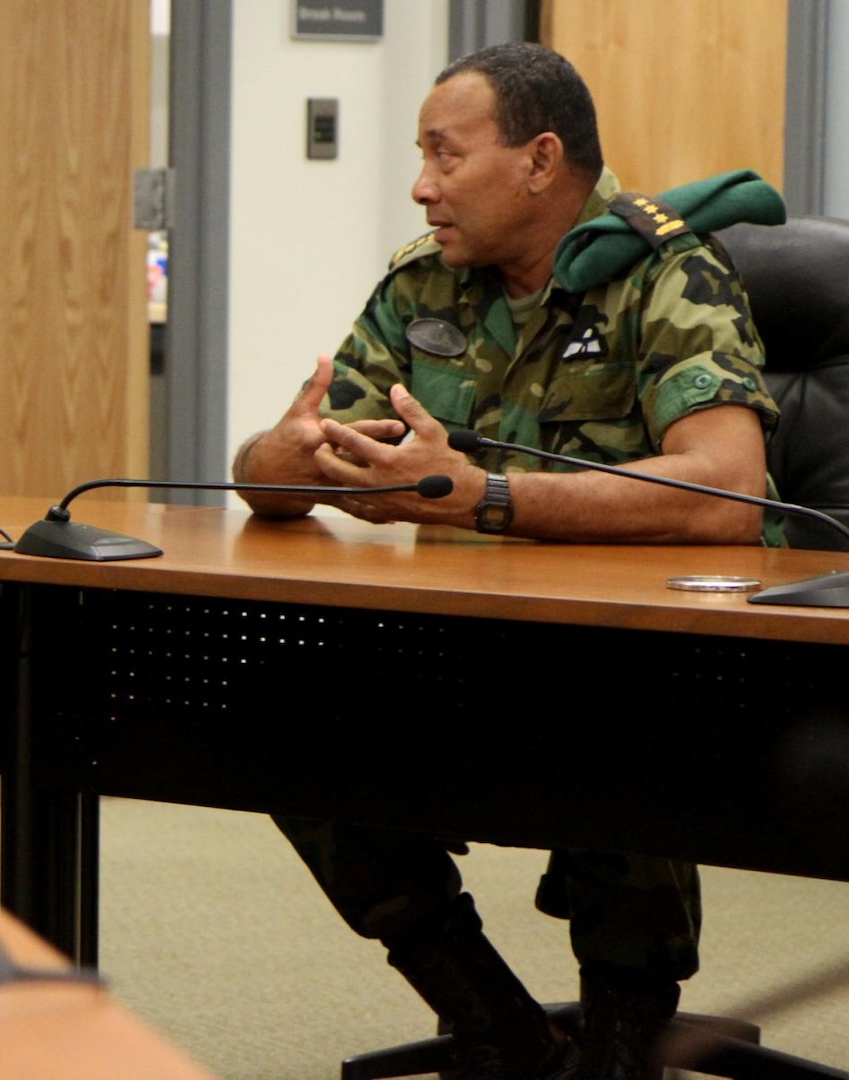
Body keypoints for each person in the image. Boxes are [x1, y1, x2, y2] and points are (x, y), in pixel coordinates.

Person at [232, 43, 779, 1080]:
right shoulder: (423, 282)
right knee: (276, 708)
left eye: (445, 153)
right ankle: (489, 1015)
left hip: (647, 664)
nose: (420, 183)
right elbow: (277, 469)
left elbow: (727, 487)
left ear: (539, 161)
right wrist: (283, 458)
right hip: (459, 651)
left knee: (617, 706)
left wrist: (484, 496)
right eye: (418, 155)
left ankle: (623, 1039)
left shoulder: (670, 274)